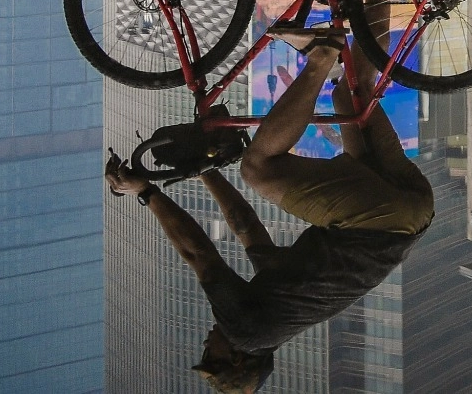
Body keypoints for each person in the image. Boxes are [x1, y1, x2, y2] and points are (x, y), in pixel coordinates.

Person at [104, 27, 432, 393]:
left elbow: (244, 225)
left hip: (413, 213)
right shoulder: (246, 333)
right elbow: (200, 256)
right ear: (237, 359)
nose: (205, 344)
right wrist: (147, 192)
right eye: (210, 355)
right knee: (257, 168)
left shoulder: (281, 309)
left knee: (352, 93)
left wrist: (204, 170)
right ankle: (321, 56)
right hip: (371, 221)